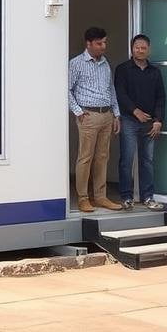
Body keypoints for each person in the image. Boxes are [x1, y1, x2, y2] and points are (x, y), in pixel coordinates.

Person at [68, 26, 122, 213]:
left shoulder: (105, 63)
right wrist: (78, 111)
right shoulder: (76, 63)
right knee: (85, 158)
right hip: (88, 116)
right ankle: (83, 198)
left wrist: (116, 114)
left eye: (104, 42)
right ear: (88, 44)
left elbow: (111, 89)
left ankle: (100, 197)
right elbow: (67, 89)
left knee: (102, 157)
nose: (103, 46)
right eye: (99, 43)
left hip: (106, 115)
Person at [114, 34, 167, 211]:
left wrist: (158, 120)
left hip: (150, 123)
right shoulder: (123, 69)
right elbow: (120, 94)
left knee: (147, 160)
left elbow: (161, 97)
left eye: (144, 47)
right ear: (132, 48)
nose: (140, 50)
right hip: (129, 120)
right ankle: (127, 197)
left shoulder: (155, 72)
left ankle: (148, 197)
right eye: (137, 47)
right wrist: (135, 112)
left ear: (148, 49)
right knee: (126, 159)